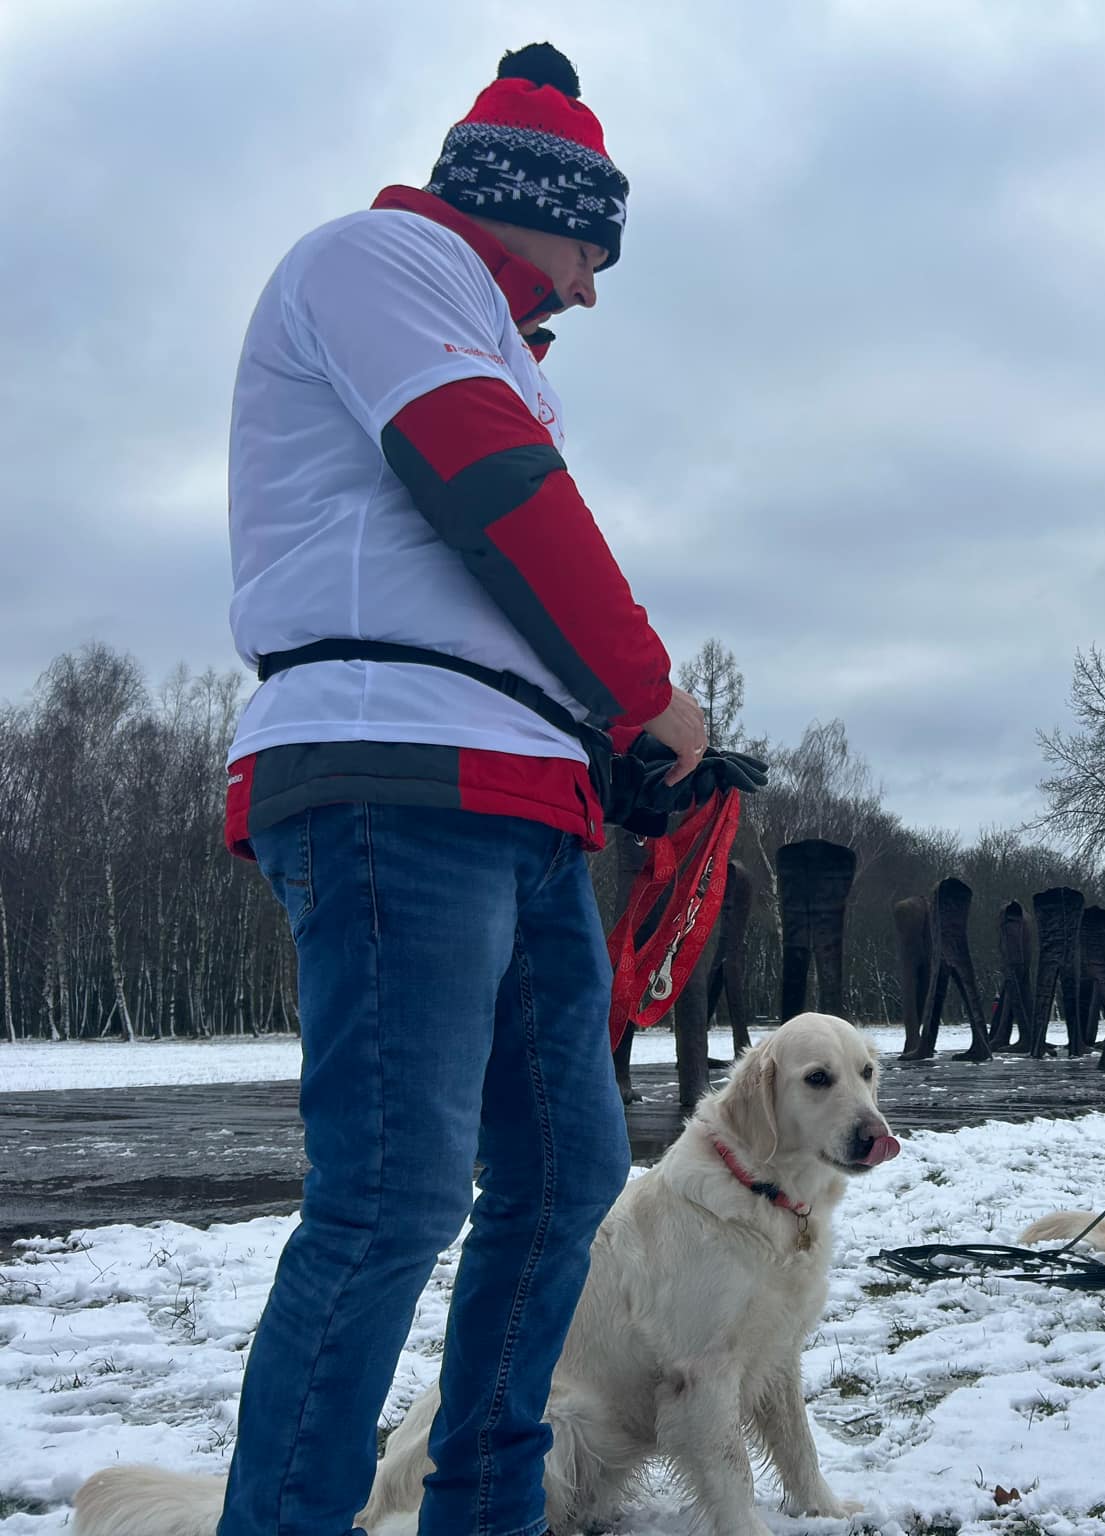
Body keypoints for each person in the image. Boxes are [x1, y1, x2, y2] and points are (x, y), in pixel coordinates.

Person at [216, 45, 713, 1534]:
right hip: (392, 773)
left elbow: (487, 575)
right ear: (520, 208)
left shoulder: (485, 331)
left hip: (519, 793)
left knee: (566, 1181)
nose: (591, 291)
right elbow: (492, 485)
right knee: (392, 1200)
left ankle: (484, 1513)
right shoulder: (381, 260)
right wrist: (647, 694)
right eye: (587, 250)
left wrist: (611, 748)